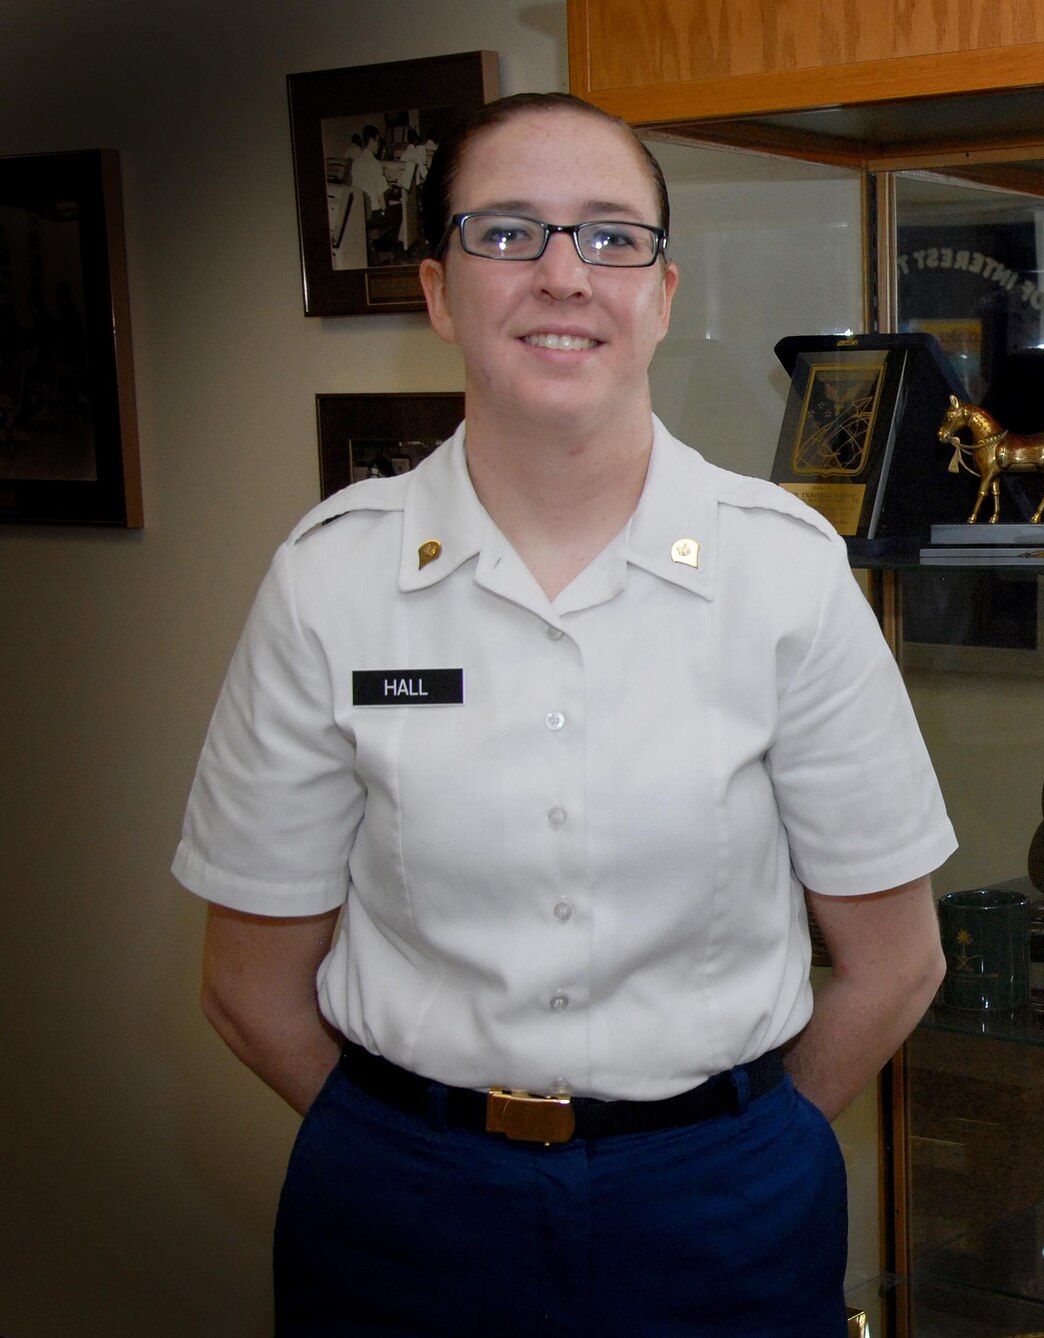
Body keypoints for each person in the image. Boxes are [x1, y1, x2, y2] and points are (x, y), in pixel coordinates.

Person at [175, 91, 956, 1335]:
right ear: (437, 293)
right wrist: (416, 1157)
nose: (559, 275)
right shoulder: (330, 579)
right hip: (401, 1214)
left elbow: (895, 961)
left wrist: (736, 1146)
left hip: (721, 1210)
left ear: (660, 292)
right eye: (505, 234)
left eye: (608, 237)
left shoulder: (783, 571)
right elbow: (248, 984)